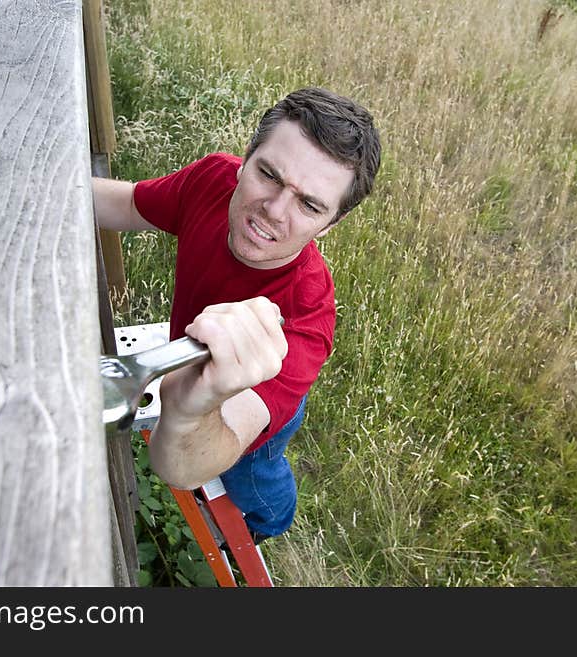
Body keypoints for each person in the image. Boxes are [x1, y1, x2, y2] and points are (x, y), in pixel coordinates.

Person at [93, 87, 381, 543]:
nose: (274, 211)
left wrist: (191, 408)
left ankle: (270, 524)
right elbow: (130, 203)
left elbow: (185, 468)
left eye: (309, 205)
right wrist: (48, 188)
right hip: (197, 381)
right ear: (245, 160)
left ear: (330, 224)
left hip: (258, 410)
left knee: (255, 473)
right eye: (269, 175)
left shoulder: (306, 313)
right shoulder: (212, 179)